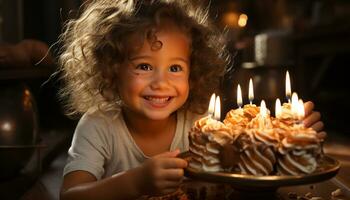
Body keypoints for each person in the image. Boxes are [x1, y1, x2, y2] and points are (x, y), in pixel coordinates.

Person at [59, 0, 325, 200]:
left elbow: (248, 170)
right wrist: (134, 183)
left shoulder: (200, 125)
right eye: (144, 66)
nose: (161, 82)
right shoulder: (98, 126)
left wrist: (293, 142)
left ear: (194, 72)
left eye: (175, 68)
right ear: (112, 70)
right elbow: (70, 195)